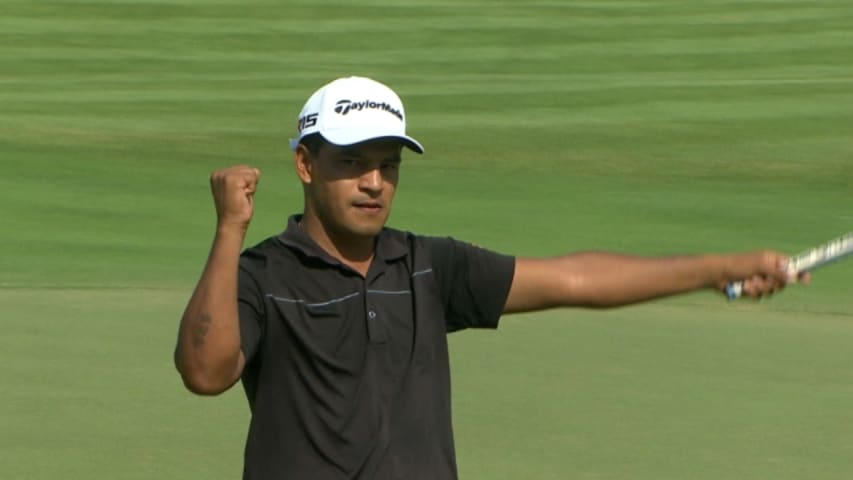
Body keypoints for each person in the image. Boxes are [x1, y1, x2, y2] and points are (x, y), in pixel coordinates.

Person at [174, 76, 805, 479]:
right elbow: (206, 373)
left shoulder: (426, 264)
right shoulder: (262, 273)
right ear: (306, 165)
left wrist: (718, 269)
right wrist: (230, 228)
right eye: (354, 163)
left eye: (388, 165)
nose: (374, 182)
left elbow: (574, 280)